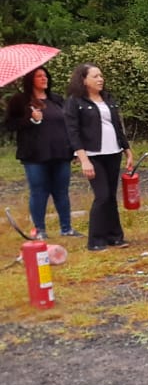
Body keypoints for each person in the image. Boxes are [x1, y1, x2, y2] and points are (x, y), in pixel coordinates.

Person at [63, 63, 134, 252]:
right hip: (93, 154)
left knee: (111, 196)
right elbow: (73, 133)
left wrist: (127, 150)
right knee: (101, 196)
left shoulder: (107, 99)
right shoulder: (75, 102)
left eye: (101, 75)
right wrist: (83, 159)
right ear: (83, 80)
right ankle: (95, 240)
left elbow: (117, 127)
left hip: (113, 152)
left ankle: (115, 237)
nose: (100, 79)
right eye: (95, 76)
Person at [4, 66, 79, 240]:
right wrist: (30, 119)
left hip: (60, 152)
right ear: (31, 80)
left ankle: (66, 228)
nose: (44, 78)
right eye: (39, 76)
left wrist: (74, 148)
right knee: (39, 191)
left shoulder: (57, 99)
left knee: (61, 191)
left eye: (45, 75)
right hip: (34, 155)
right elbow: (9, 125)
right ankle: (40, 230)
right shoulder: (20, 101)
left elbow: (68, 123)